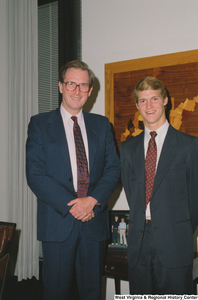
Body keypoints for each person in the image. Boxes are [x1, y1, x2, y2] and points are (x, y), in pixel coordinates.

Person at [26, 60, 121, 300]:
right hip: (58, 224)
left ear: (90, 90)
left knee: (91, 292)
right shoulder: (40, 124)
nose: (77, 90)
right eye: (71, 84)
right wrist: (75, 206)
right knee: (56, 292)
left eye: (83, 85)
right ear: (60, 86)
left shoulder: (102, 125)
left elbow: (113, 169)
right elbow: (35, 175)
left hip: (94, 224)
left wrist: (92, 201)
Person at [120, 76, 198, 294]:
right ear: (137, 106)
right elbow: (131, 192)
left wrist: (179, 228)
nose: (149, 106)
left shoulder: (189, 146)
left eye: (154, 98)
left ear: (165, 100)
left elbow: (195, 200)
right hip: (138, 244)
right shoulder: (127, 149)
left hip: (175, 242)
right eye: (143, 101)